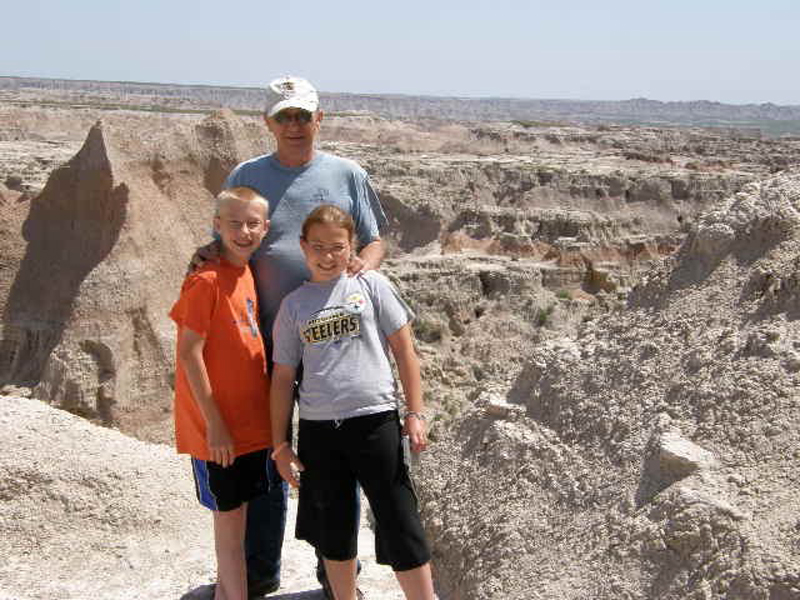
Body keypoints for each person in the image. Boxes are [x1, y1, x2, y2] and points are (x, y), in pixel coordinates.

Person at [219, 76, 388, 598]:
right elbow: (227, 239)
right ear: (268, 122)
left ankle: (336, 576)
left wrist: (364, 267)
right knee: (268, 453)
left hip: (332, 342)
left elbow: (377, 239)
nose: (293, 125)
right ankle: (259, 572)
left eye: (302, 116)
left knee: (334, 461)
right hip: (264, 346)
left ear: (319, 119)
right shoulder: (247, 175)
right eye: (283, 116)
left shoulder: (347, 174)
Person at [270, 205, 435, 600]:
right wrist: (280, 444)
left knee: (399, 518)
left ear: (353, 246)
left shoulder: (372, 285)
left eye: (338, 247)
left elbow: (405, 351)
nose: (328, 256)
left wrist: (415, 412)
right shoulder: (293, 306)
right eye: (318, 246)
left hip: (374, 421)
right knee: (334, 527)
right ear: (302, 247)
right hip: (319, 430)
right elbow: (281, 379)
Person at [170, 187, 272, 600]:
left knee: (238, 529)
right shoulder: (206, 280)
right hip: (221, 433)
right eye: (234, 223)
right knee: (230, 534)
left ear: (265, 229)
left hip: (249, 428)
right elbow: (188, 353)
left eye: (252, 224)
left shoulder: (245, 272)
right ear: (216, 225)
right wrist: (215, 424)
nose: (243, 231)